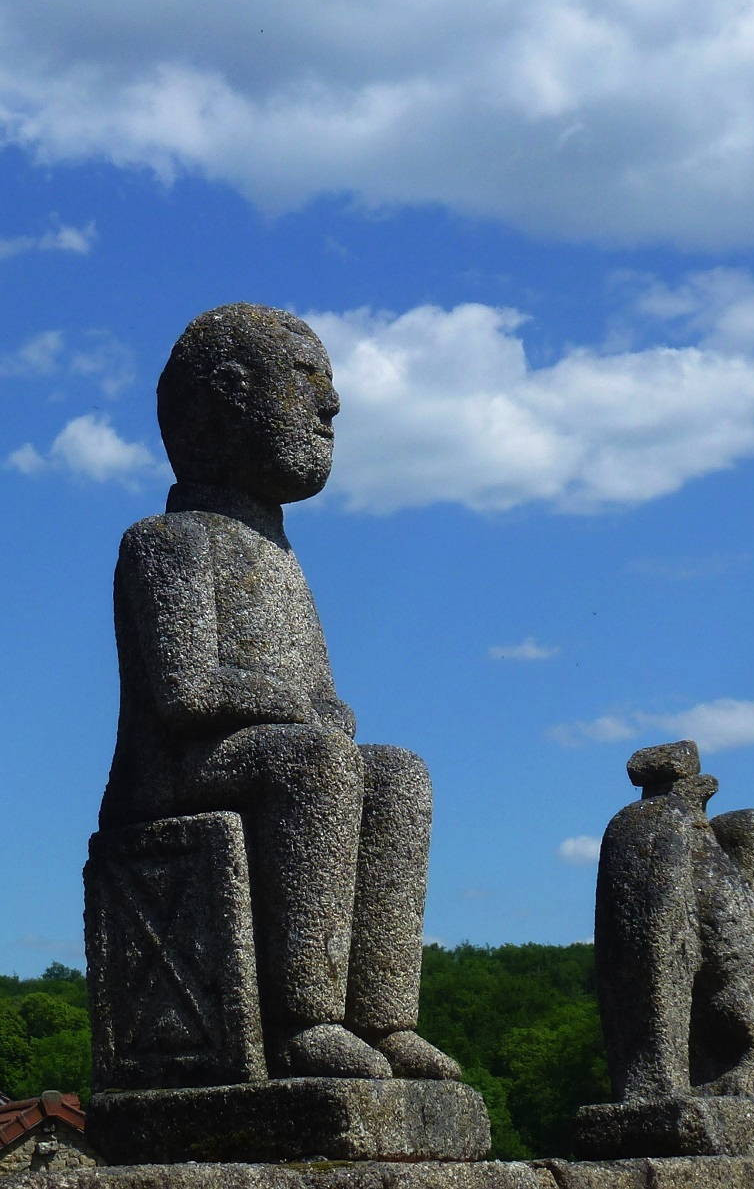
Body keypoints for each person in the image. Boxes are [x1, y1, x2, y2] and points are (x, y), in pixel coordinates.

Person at [99, 302, 459, 1081]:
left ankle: (383, 1017)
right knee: (317, 764)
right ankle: (304, 1019)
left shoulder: (281, 558)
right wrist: (299, 709)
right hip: (175, 779)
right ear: (228, 395)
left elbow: (321, 696)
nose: (330, 405)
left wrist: (321, 710)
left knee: (397, 775)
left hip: (264, 752)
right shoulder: (167, 541)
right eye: (305, 380)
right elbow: (187, 690)